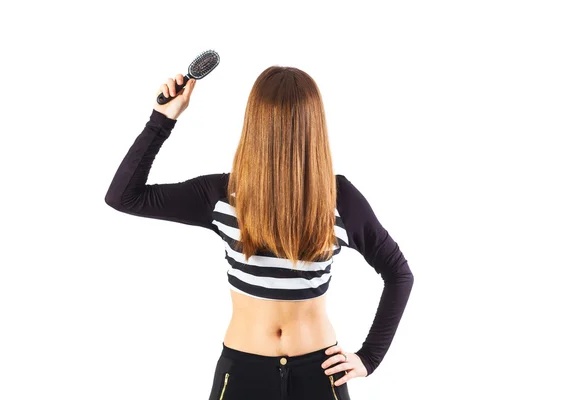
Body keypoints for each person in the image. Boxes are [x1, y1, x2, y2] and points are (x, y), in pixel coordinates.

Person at [104, 66, 414, 400]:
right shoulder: (223, 194)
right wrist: (162, 118)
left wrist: (369, 358)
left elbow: (398, 273)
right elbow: (124, 197)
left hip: (319, 372)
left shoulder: (337, 198)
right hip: (242, 374)